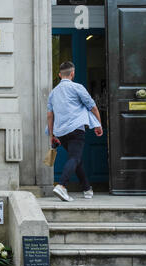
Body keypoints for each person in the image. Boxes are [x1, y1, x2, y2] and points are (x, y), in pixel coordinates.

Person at [47, 61, 103, 201]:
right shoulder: (78, 87)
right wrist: (98, 124)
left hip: (61, 132)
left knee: (76, 158)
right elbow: (92, 107)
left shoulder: (53, 93)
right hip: (77, 129)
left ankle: (86, 188)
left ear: (60, 75)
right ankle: (62, 186)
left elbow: (49, 115)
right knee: (75, 158)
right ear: (72, 74)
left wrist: (52, 135)